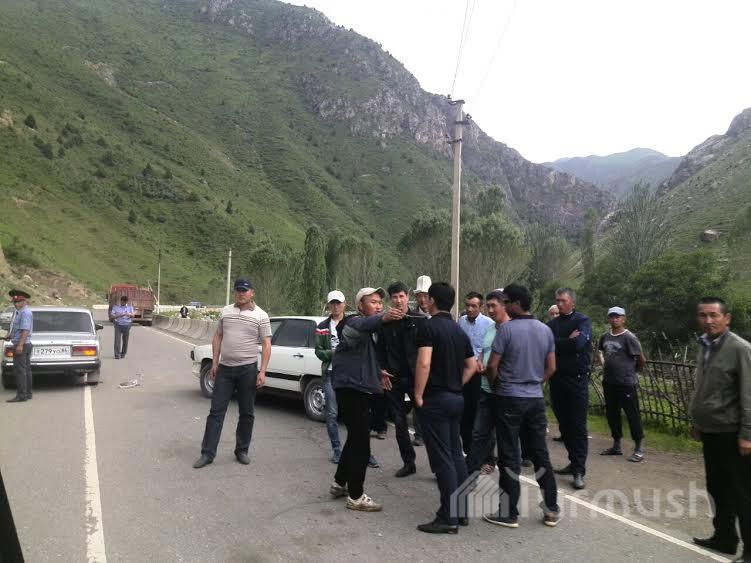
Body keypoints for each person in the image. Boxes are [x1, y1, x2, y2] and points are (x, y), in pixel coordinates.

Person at [484, 283, 560, 528]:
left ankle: (509, 512)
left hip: (509, 397)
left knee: (509, 455)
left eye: (506, 302)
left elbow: (492, 365)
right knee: (540, 453)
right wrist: (536, 381)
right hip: (535, 399)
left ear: (516, 304)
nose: (504, 306)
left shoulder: (506, 330)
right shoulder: (545, 330)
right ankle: (551, 508)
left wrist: (497, 385)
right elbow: (551, 368)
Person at [329, 288, 403, 512]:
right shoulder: (353, 323)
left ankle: (339, 483)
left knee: (355, 437)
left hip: (357, 387)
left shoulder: (369, 330)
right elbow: (361, 327)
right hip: (350, 388)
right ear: (360, 305)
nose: (379, 305)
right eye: (373, 302)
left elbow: (363, 356)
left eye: (380, 302)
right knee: (361, 443)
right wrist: (384, 317)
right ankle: (356, 496)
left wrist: (378, 371)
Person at [690, 297, 751, 562]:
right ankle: (724, 538)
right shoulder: (704, 345)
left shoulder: (740, 349)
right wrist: (697, 423)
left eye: (714, 315)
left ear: (727, 318)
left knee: (742, 493)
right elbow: (703, 388)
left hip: (733, 433)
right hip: (711, 431)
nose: (708, 321)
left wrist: (747, 435)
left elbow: (749, 395)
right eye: (703, 315)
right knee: (716, 487)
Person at [414, 282, 477, 533]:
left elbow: (424, 363)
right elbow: (472, 365)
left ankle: (448, 518)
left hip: (436, 400)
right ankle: (461, 512)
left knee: (442, 459)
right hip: (456, 398)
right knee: (455, 454)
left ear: (432, 300)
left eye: (427, 298)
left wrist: (418, 394)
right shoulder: (459, 331)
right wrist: (456, 384)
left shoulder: (428, 327)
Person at [193, 278, 271, 469]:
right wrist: (214, 362)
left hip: (247, 370)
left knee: (247, 413)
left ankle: (241, 450)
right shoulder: (226, 311)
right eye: (238, 290)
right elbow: (218, 336)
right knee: (216, 412)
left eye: (244, 290)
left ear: (252, 293)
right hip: (225, 370)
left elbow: (266, 344)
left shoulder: (261, 315)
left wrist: (262, 371)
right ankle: (207, 453)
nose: (240, 293)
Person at [315, 291, 379, 468]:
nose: (335, 306)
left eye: (338, 303)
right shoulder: (322, 326)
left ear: (344, 304)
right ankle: (337, 450)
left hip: (353, 375)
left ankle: (365, 453)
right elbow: (319, 352)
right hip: (331, 374)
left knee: (358, 417)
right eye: (332, 303)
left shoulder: (354, 322)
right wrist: (335, 353)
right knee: (332, 414)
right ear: (329, 305)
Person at [548, 287, 592, 490]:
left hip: (577, 381)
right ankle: (574, 461)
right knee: (564, 425)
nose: (559, 304)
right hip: (557, 380)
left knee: (578, 426)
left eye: (563, 301)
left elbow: (579, 344)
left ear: (573, 302)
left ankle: (579, 471)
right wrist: (566, 341)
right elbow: (546, 345)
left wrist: (558, 343)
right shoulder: (552, 324)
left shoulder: (582, 321)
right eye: (557, 300)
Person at [377, 281, 422, 477]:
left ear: (407, 296)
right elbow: (379, 349)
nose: (398, 300)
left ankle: (439, 466)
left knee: (428, 421)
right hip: (393, 378)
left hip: (416, 378)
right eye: (394, 297)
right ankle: (408, 463)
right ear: (390, 299)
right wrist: (381, 369)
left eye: (401, 296)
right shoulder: (385, 322)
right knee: (399, 423)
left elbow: (427, 351)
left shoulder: (419, 319)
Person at [466, 290, 509, 477]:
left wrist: (492, 371)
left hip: (504, 391)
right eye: (489, 306)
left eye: (494, 306)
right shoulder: (491, 328)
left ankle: (508, 479)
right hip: (485, 388)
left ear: (504, 306)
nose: (490, 310)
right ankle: (470, 474)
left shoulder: (511, 328)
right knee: (478, 433)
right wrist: (479, 362)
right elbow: (483, 351)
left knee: (506, 437)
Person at [598, 306, 647, 462]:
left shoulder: (629, 337)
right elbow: (601, 352)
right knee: (612, 414)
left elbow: (641, 360)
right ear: (608, 319)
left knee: (632, 415)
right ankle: (616, 445)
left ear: (624, 319)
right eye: (612, 316)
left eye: (618, 316)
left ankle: (638, 448)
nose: (615, 319)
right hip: (609, 382)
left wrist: (631, 372)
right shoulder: (605, 337)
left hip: (626, 383)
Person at [457, 291, 493, 455]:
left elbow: (489, 349)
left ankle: (486, 455)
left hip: (480, 374)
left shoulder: (489, 324)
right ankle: (468, 450)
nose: (470, 309)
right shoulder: (461, 322)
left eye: (474, 306)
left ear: (481, 307)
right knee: (464, 413)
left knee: (479, 415)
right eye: (467, 305)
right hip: (464, 372)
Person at [410, 274, 433, 446]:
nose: (423, 299)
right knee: (417, 398)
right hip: (417, 364)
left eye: (426, 295)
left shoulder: (438, 315)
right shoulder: (412, 317)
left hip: (435, 365)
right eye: (420, 295)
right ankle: (419, 434)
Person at [5, 289, 33, 403]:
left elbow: (25, 330)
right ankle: (28, 393)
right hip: (24, 344)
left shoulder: (25, 313)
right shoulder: (19, 312)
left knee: (20, 371)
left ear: (24, 301)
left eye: (18, 302)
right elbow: (18, 328)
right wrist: (10, 335)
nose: (16, 304)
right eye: (14, 302)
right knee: (26, 370)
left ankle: (21, 395)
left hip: (22, 345)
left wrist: (20, 345)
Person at [110, 295, 134, 359]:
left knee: (125, 340)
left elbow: (133, 315)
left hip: (127, 325)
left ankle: (123, 353)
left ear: (127, 302)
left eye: (125, 302)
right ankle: (117, 354)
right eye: (123, 301)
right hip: (118, 324)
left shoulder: (130, 307)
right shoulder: (116, 307)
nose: (124, 303)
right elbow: (112, 316)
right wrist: (120, 315)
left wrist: (129, 314)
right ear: (121, 301)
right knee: (117, 340)